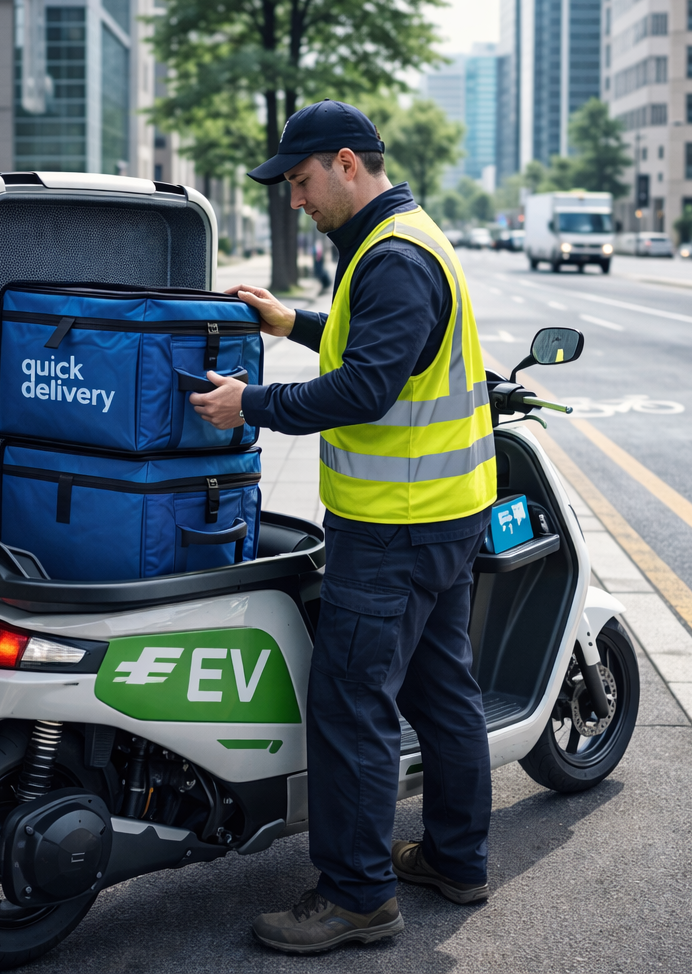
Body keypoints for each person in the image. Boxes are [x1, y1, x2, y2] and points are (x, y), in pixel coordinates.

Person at [187, 100, 497, 955]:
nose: (295, 198)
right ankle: (456, 861)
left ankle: (358, 897)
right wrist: (296, 325)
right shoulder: (407, 240)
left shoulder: (391, 258)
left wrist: (250, 404)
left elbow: (365, 390)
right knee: (442, 693)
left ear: (347, 163)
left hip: (393, 527)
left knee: (352, 706)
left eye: (301, 180)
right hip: (445, 516)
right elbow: (383, 351)